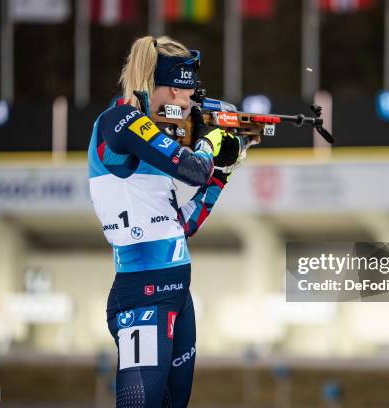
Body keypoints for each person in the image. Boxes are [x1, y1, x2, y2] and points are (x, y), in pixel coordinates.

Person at [87, 35, 245, 408]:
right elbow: (193, 169)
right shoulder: (121, 120)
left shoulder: (153, 141)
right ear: (174, 90)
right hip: (143, 292)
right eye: (189, 97)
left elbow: (181, 228)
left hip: (177, 293)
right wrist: (211, 141)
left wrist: (222, 173)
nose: (192, 105)